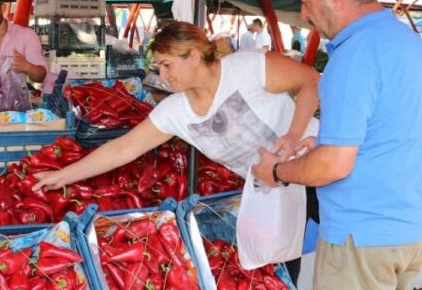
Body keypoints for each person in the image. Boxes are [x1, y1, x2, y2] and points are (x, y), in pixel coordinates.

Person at [33, 20, 320, 285]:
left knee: (345, 249)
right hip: (275, 186)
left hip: (318, 162)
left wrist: (293, 136)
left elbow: (310, 79)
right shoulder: (177, 110)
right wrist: (63, 176)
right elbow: (123, 148)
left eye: (167, 65)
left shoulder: (246, 68)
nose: (164, 75)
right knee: (283, 268)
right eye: (159, 67)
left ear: (194, 56)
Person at [252, 0, 422, 290]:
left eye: (306, 0)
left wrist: (277, 171)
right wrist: (323, 141)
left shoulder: (352, 57)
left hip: (362, 238)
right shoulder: (409, 42)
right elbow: (393, 130)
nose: (304, 13)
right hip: (412, 228)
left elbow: (334, 166)